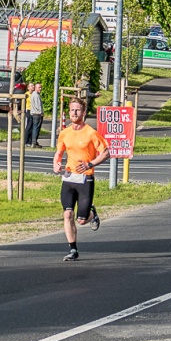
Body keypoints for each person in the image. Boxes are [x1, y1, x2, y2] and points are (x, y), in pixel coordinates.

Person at [53, 99, 110, 261]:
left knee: (82, 220)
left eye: (78, 110)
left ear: (84, 113)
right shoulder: (65, 133)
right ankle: (73, 250)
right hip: (69, 178)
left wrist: (90, 164)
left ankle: (92, 214)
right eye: (72, 110)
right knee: (67, 214)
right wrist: (56, 164)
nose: (74, 113)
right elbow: (59, 153)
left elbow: (106, 153)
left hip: (86, 178)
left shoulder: (91, 133)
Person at [25, 83, 44, 147]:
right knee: (35, 128)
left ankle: (33, 141)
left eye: (41, 87)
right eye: (39, 87)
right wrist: (41, 112)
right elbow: (38, 105)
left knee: (33, 128)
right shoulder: (35, 95)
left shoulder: (33, 94)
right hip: (36, 113)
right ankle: (33, 142)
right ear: (36, 88)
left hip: (33, 113)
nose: (40, 89)